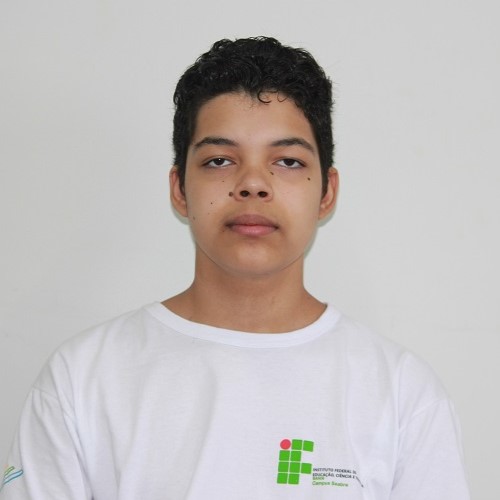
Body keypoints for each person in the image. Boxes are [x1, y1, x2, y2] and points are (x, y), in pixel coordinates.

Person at [1, 37, 469, 499]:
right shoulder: (82, 378)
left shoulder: (401, 393)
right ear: (180, 190)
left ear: (326, 193)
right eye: (220, 160)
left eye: (288, 161)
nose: (252, 184)